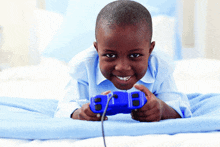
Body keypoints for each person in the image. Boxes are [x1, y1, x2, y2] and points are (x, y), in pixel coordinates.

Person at [55, 0, 192, 122]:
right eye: (110, 56)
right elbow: (64, 108)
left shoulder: (159, 65)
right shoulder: (84, 66)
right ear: (97, 50)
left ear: (150, 51)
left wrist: (161, 109)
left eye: (135, 55)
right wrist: (80, 113)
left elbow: (180, 107)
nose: (122, 67)